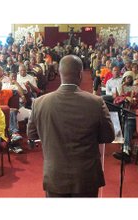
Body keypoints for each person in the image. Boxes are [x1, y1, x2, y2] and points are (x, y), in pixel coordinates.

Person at [27, 55, 115, 198]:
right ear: (80, 74)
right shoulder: (96, 102)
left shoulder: (39, 103)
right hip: (86, 176)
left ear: (60, 73)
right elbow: (108, 136)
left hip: (55, 175)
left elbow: (32, 134)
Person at [113, 78, 138, 163]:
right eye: (136, 84)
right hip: (133, 118)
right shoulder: (129, 93)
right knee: (128, 124)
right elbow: (116, 101)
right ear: (133, 87)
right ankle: (126, 151)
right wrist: (125, 98)